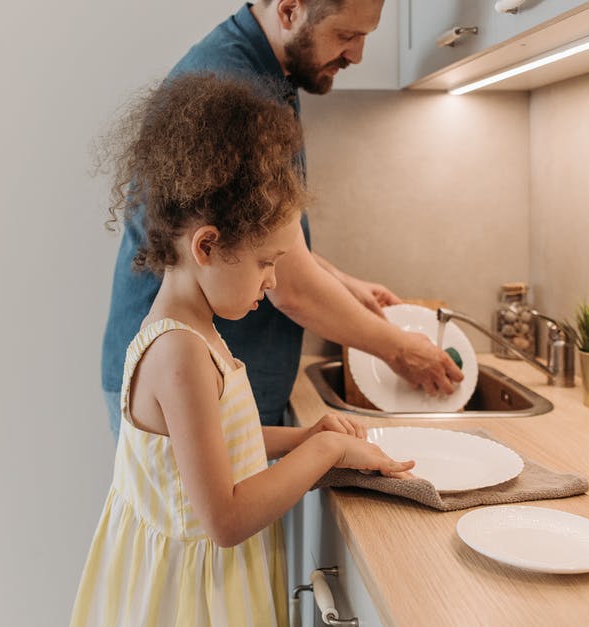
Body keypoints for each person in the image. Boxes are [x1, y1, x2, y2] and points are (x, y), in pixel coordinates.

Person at [72, 73, 415, 627]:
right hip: (188, 602)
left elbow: (218, 444)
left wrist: (305, 436)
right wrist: (323, 455)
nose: (273, 282)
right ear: (207, 246)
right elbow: (224, 520)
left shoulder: (193, 328)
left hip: (204, 583)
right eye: (265, 263)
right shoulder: (180, 353)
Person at [101, 0, 463, 433]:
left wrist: (342, 283)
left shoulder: (268, 73)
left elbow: (258, 232)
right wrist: (401, 350)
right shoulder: (237, 88)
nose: (357, 55)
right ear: (290, 10)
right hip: (182, 385)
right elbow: (292, 290)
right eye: (346, 36)